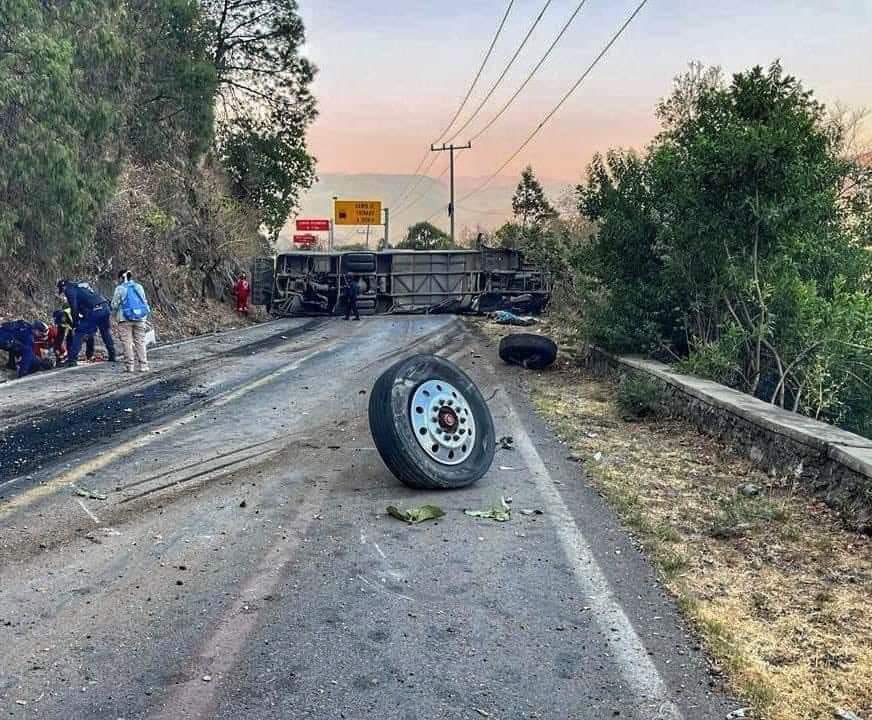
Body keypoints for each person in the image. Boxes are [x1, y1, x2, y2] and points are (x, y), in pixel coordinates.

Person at [58, 279, 116, 367]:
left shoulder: (69, 290)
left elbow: (74, 308)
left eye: (62, 291)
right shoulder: (82, 287)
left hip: (95, 310)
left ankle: (72, 360)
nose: (64, 294)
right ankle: (112, 355)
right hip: (105, 307)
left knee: (79, 333)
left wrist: (75, 323)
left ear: (64, 287)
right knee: (105, 331)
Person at [111, 270, 151, 373]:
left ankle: (130, 366)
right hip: (140, 318)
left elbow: (114, 305)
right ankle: (143, 365)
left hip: (125, 319)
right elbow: (144, 301)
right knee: (140, 342)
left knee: (127, 343)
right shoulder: (139, 287)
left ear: (121, 278)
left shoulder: (120, 288)